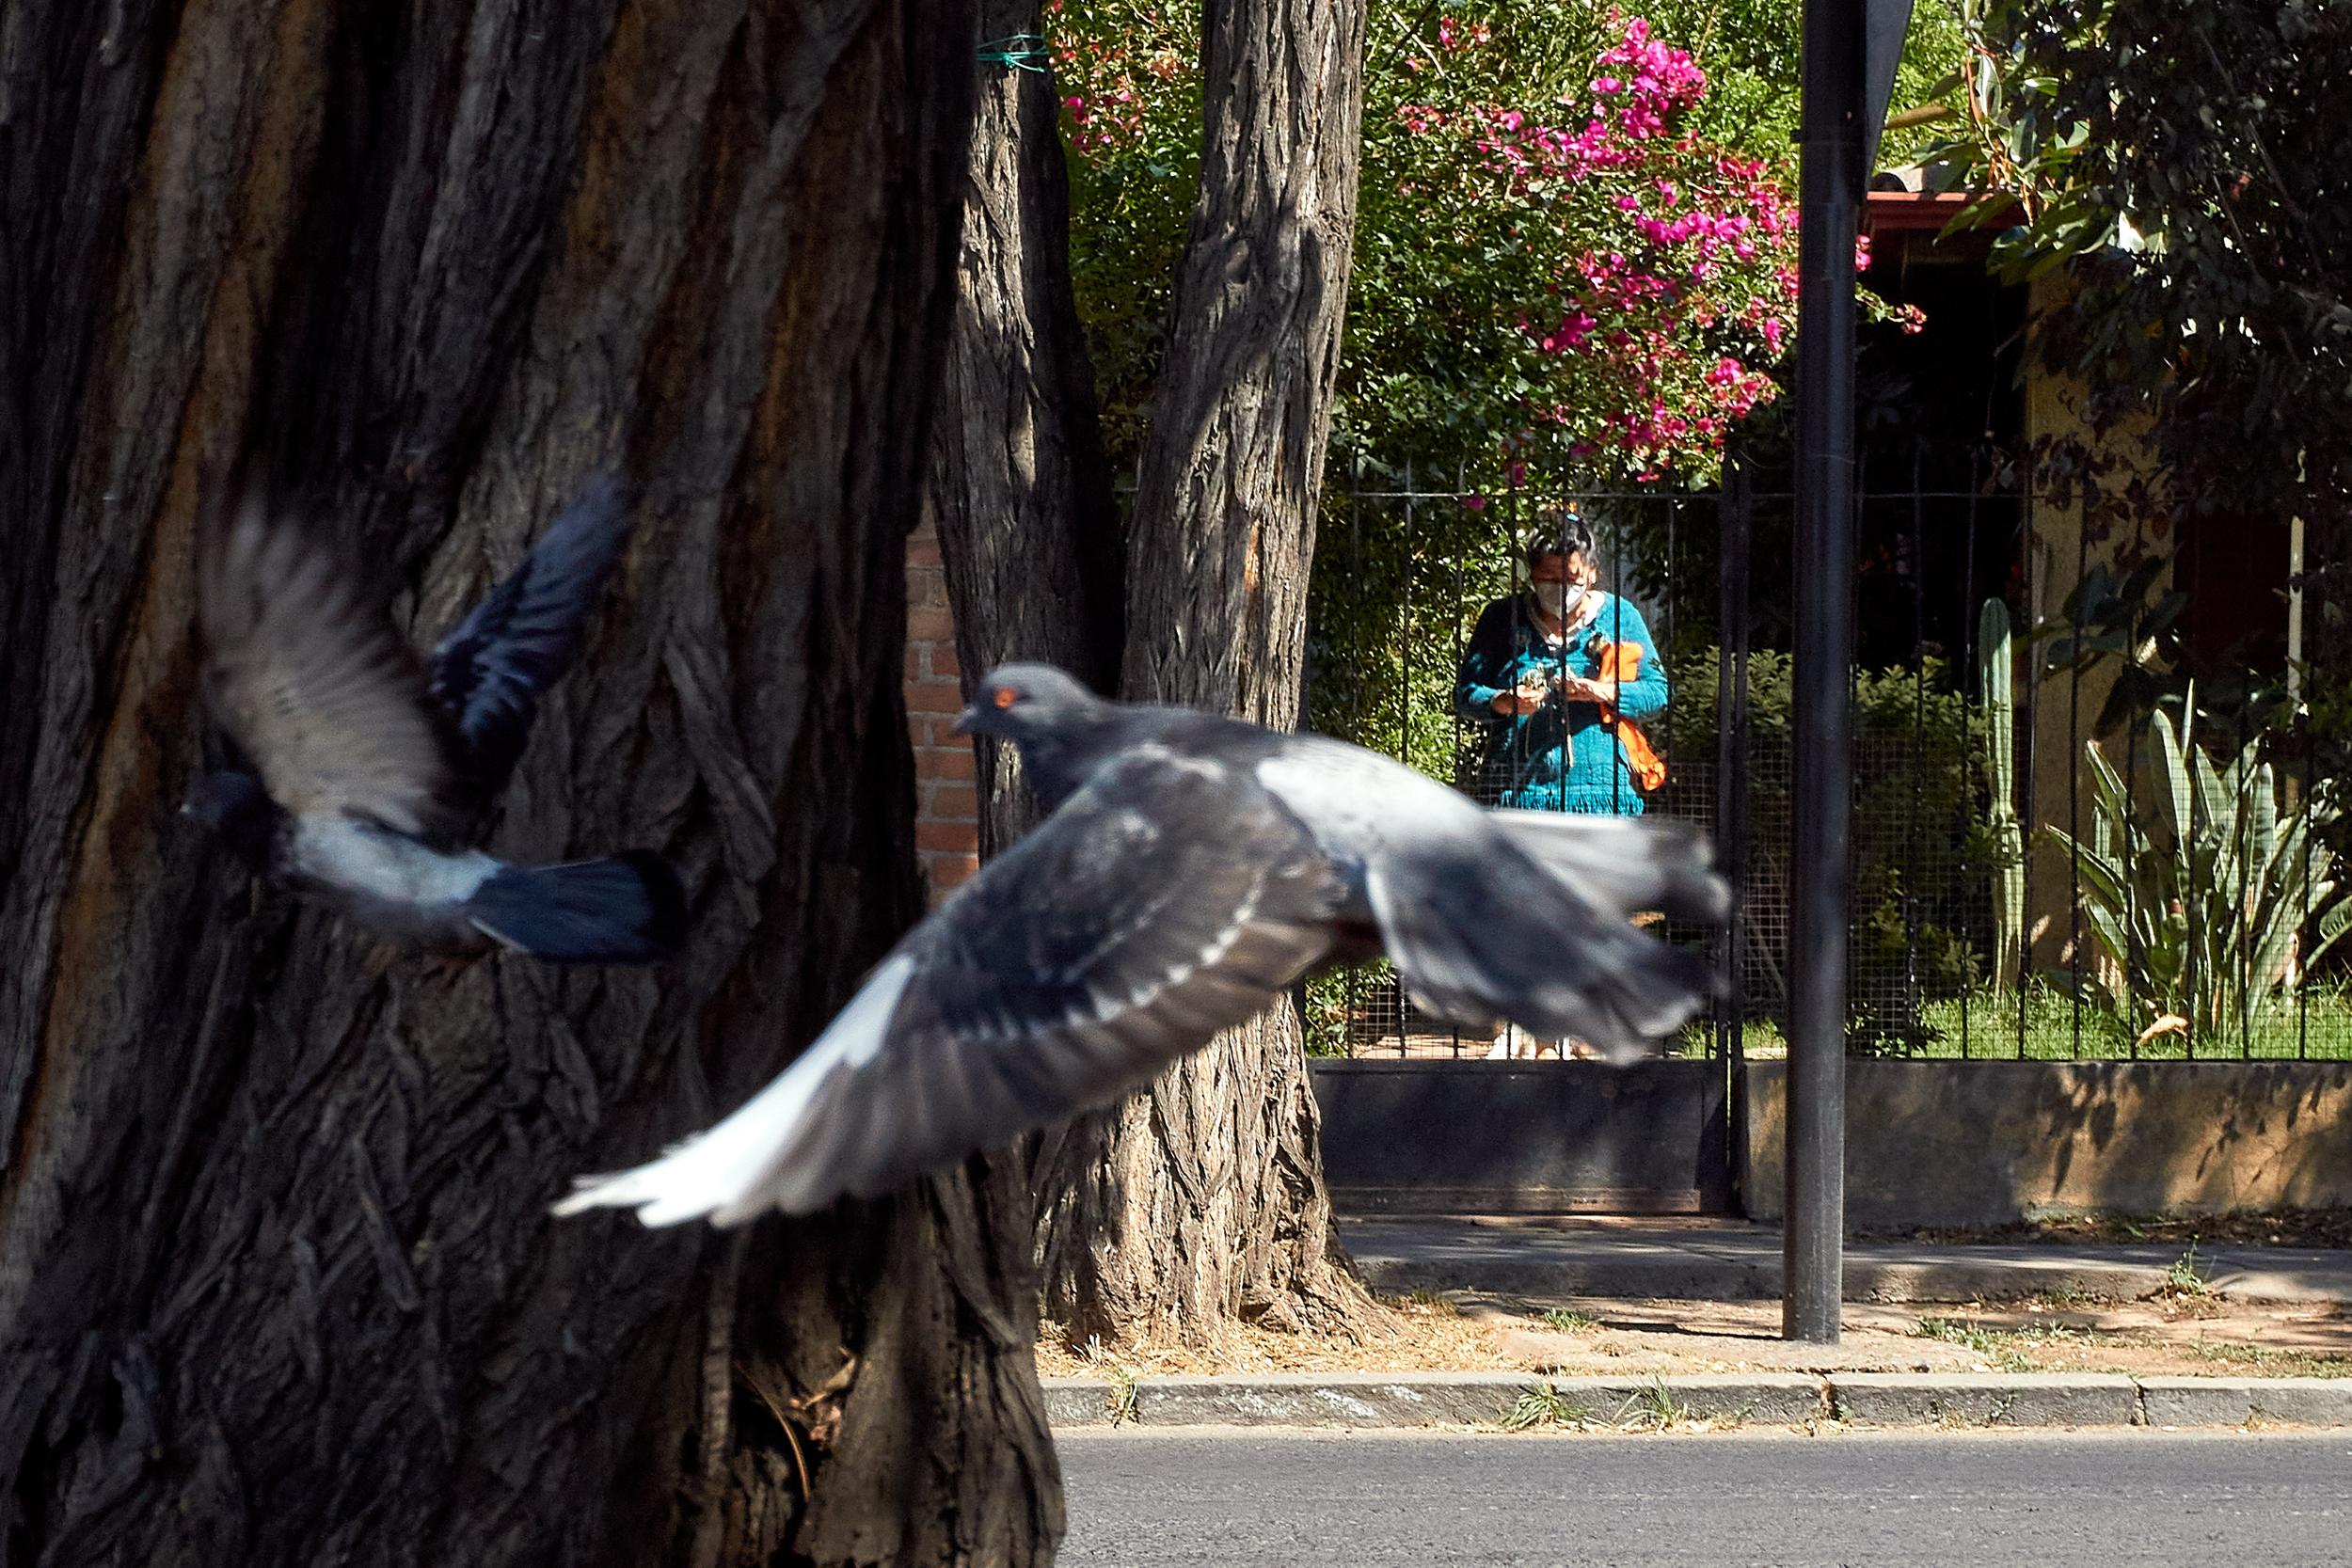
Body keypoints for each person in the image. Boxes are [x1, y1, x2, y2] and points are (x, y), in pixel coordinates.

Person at [1454, 509, 1670, 1057]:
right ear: (1531, 576)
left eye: (1570, 577)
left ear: (1591, 572)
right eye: (1547, 578)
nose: (1559, 588)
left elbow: (1657, 691)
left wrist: (1602, 692)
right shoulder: (1502, 620)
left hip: (1601, 789)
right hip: (1522, 787)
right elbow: (1466, 695)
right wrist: (1505, 701)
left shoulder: (1620, 618)